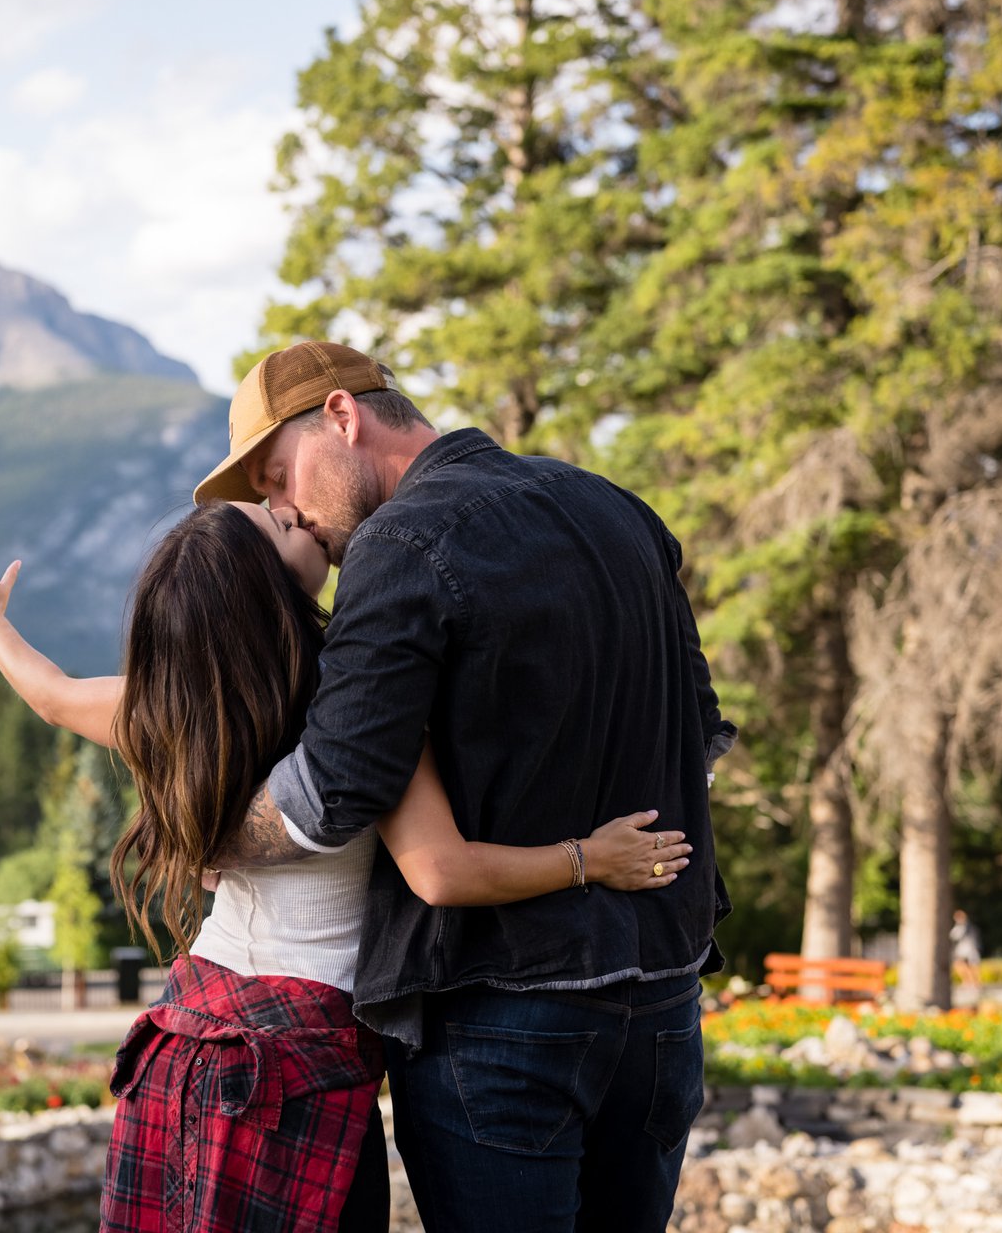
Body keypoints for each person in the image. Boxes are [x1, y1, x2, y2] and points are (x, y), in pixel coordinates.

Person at [0, 504, 694, 1232]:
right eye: (280, 524)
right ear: (263, 589)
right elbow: (441, 873)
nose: (296, 513)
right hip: (297, 1062)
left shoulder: (169, 711)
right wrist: (590, 859)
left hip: (186, 1045)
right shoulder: (358, 712)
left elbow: (55, 696)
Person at [189, 341, 734, 1233]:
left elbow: (335, 788)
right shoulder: (619, 510)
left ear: (341, 415)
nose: (287, 509)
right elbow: (703, 731)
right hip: (664, 1004)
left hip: (504, 1015)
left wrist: (205, 832)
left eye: (280, 477)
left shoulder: (397, 545)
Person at [951, 910, 983, 990]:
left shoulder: (968, 927)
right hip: (962, 950)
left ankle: (975, 983)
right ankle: (968, 981)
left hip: (970, 949)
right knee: (960, 965)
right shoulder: (959, 927)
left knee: (973, 966)